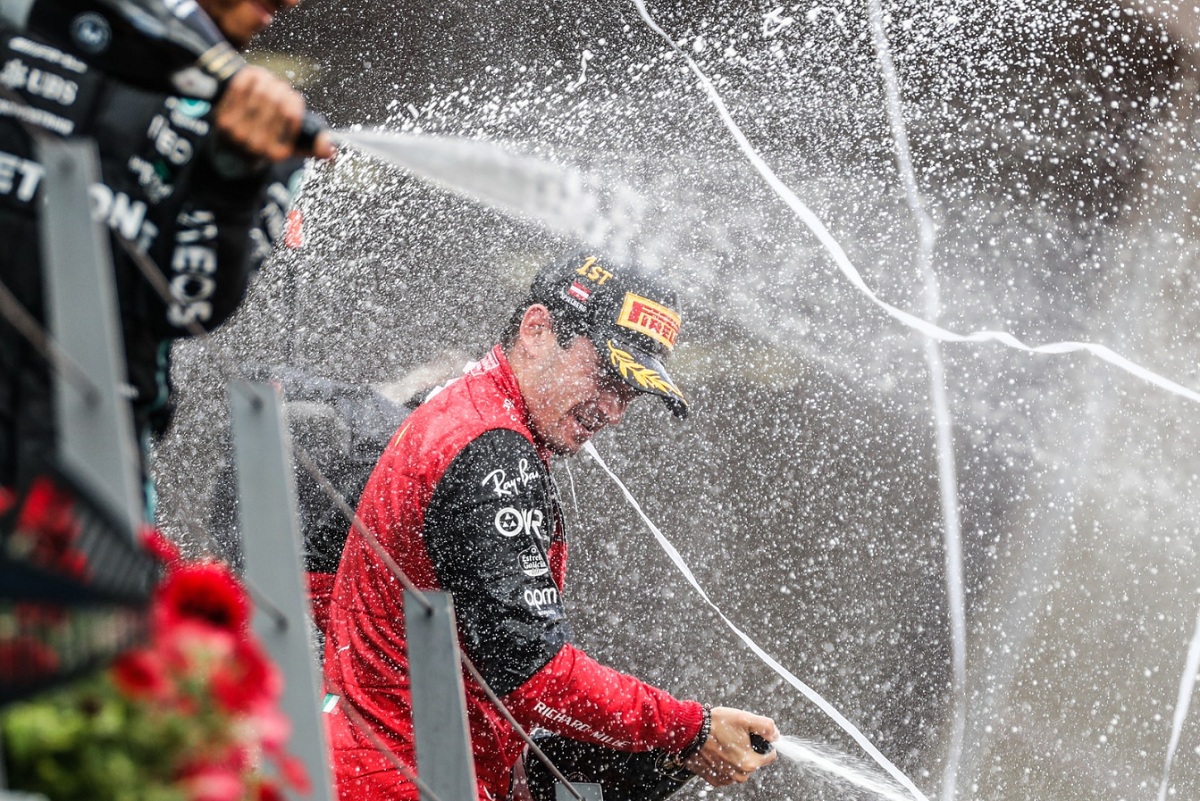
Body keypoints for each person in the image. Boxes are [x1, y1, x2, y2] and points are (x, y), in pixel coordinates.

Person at [323, 250, 780, 801]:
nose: (613, 410)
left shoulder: (467, 409)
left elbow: (496, 666)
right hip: (403, 778)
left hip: (381, 763)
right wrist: (690, 728)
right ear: (537, 330)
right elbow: (533, 675)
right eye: (607, 376)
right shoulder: (494, 452)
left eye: (630, 394)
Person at [0, 0, 333, 500]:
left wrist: (231, 179)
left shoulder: (258, 124)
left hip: (87, 465)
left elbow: (186, 308)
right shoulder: (24, 19)